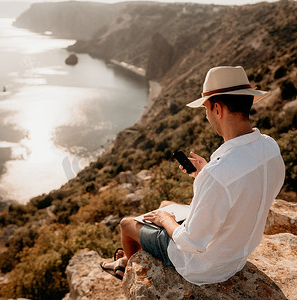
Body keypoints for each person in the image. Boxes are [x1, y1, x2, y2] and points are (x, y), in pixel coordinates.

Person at [100, 66, 285, 285]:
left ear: (217, 109)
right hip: (237, 255)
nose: (207, 116)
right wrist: (205, 174)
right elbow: (240, 188)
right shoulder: (270, 148)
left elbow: (191, 242)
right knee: (166, 203)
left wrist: (165, 220)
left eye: (206, 109)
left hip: (204, 267)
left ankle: (126, 268)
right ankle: (138, 251)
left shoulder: (218, 174)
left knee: (127, 224)